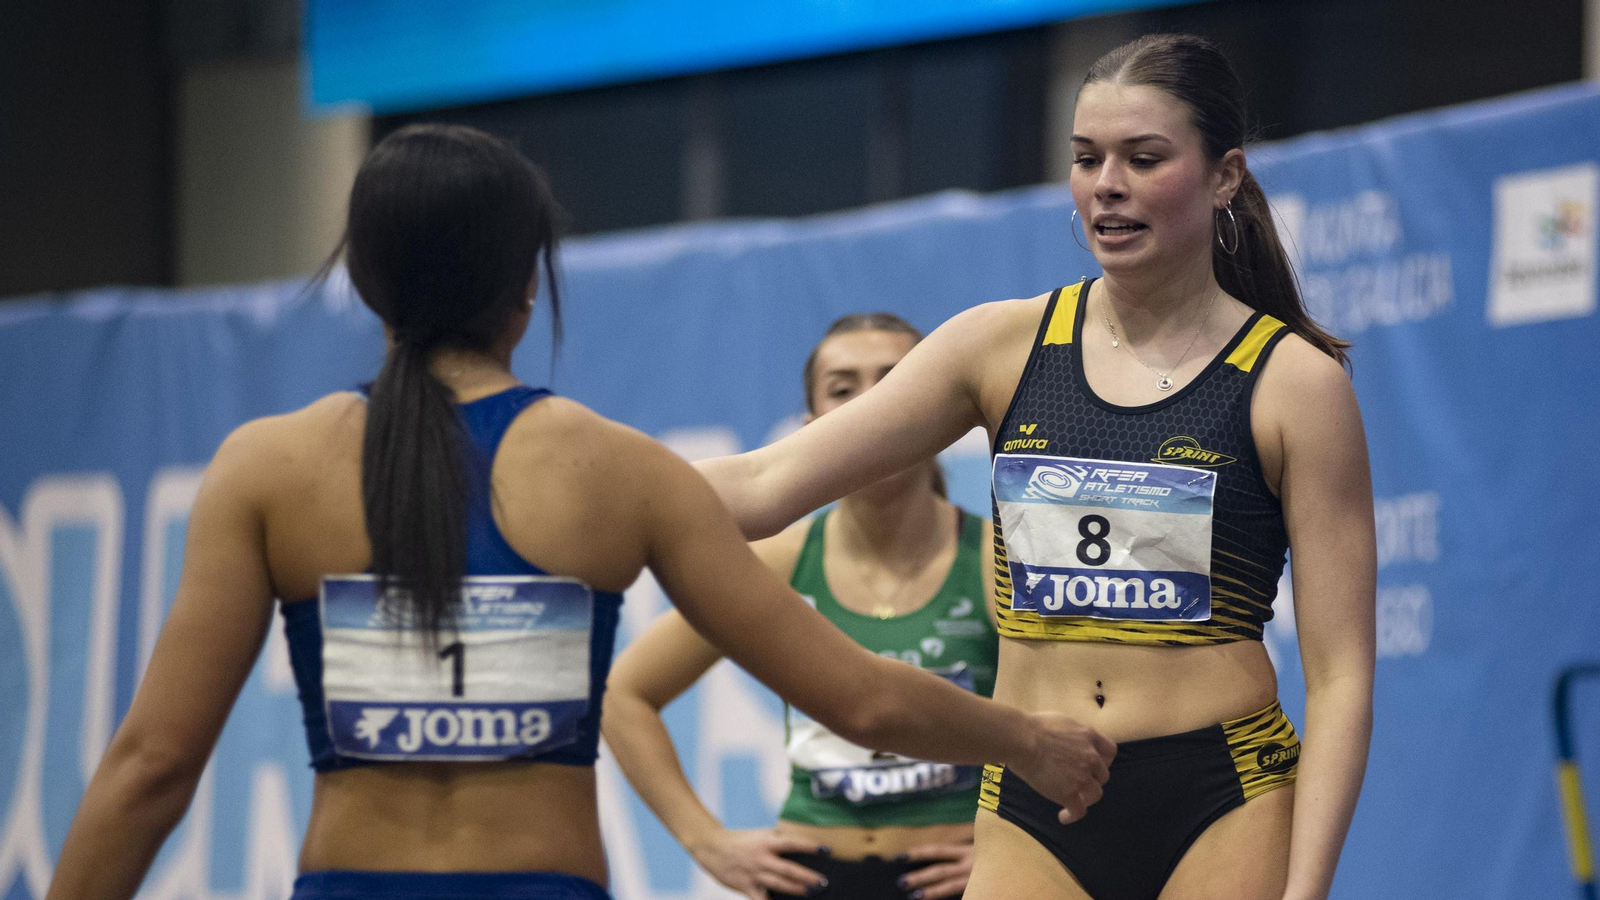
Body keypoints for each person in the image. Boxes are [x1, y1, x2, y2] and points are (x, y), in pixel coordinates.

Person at [43, 125, 1115, 900]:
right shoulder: (617, 473)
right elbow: (862, 700)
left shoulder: (265, 470)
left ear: (366, 282)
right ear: (528, 286)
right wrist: (1028, 741)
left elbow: (152, 767)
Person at [696, 34, 1375, 900]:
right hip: (1036, 797)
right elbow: (760, 487)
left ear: (1225, 176)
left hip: (1223, 794)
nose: (1108, 186)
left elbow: (1344, 677)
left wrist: (1306, 890)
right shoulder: (1000, 346)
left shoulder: (1294, 385)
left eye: (1144, 157)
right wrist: (578, 486)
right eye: (1087, 158)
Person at [606, 314, 1000, 900]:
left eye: (894, 383)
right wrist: (705, 842)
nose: (871, 409)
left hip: (955, 883)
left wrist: (1016, 850)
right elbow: (623, 694)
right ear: (813, 425)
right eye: (843, 389)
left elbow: (1080, 729)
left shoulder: (998, 559)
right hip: (811, 876)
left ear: (943, 415)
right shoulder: (779, 562)